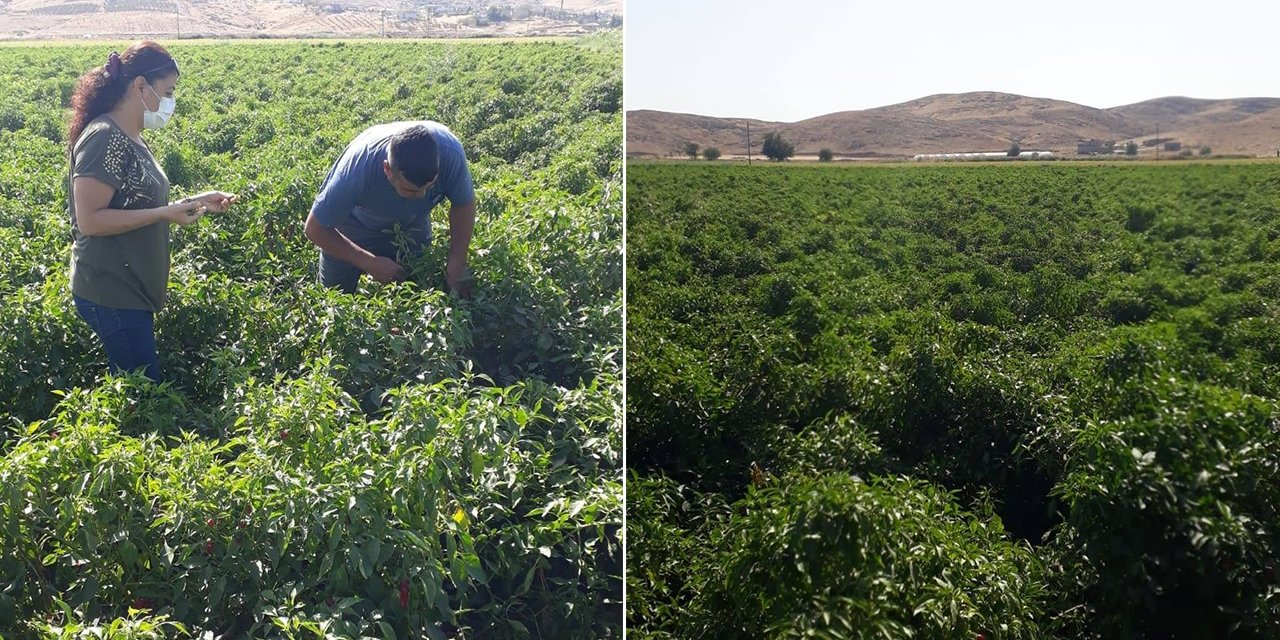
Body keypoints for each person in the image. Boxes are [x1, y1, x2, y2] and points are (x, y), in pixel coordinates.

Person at [67, 41, 237, 382]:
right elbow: (90, 220)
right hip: (111, 288)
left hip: (130, 286)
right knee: (143, 393)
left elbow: (137, 200)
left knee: (136, 383)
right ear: (140, 86)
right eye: (168, 91)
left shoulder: (132, 135)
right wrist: (164, 214)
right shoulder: (105, 138)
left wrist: (196, 202)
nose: (170, 101)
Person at [304, 122, 476, 296]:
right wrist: (369, 262)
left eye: (428, 187)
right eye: (411, 190)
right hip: (354, 226)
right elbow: (315, 228)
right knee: (335, 297)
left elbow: (464, 204)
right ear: (387, 170)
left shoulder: (451, 155)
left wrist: (457, 262)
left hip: (412, 222)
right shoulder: (358, 169)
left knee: (416, 289)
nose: (422, 195)